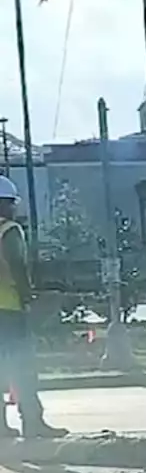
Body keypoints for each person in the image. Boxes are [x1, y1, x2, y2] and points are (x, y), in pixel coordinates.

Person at [0, 176, 67, 438]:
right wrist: (28, 296)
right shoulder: (9, 231)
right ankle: (33, 423)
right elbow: (17, 264)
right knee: (22, 367)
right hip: (9, 309)